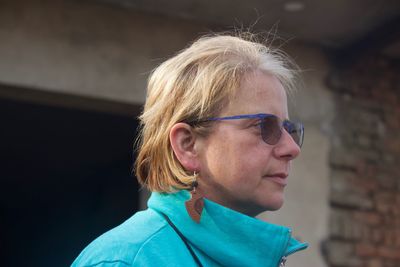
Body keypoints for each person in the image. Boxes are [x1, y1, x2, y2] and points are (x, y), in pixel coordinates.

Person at [72, 32, 308, 267]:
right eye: (265, 126)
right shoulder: (125, 261)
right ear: (188, 144)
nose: (291, 148)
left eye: (290, 129)